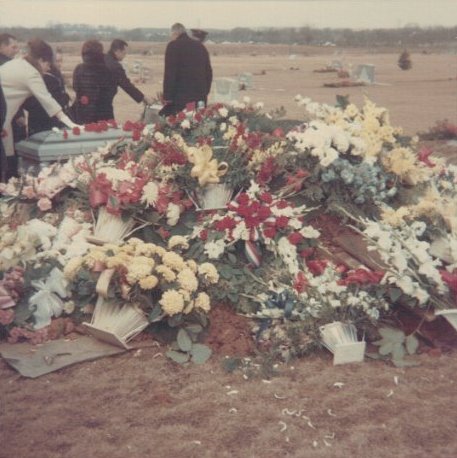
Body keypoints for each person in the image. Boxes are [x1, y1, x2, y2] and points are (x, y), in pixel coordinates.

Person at [0, 38, 78, 179]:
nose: (49, 68)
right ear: (41, 60)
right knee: (4, 160)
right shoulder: (32, 73)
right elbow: (48, 100)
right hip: (3, 116)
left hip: (5, 116)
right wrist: (71, 124)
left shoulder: (17, 62)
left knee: (6, 156)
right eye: (48, 64)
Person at [160, 23, 212, 117]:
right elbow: (208, 72)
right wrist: (204, 92)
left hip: (181, 98)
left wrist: (167, 97)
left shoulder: (173, 46)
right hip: (199, 97)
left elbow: (170, 73)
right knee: (197, 124)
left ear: (174, 34)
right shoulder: (200, 47)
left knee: (181, 126)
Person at [22, 48, 71, 135]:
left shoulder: (56, 76)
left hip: (36, 121)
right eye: (56, 61)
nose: (59, 64)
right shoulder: (48, 78)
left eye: (60, 61)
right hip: (47, 121)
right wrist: (65, 98)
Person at [70, 39, 116, 124]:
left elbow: (75, 87)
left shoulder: (79, 69)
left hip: (83, 115)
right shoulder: (108, 70)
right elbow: (112, 92)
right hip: (104, 115)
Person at [104, 39, 152, 119]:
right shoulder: (115, 66)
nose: (125, 55)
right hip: (104, 104)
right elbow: (126, 85)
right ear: (118, 51)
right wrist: (144, 98)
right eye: (124, 53)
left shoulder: (104, 58)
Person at [0, 33, 27, 161]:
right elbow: (7, 95)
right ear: (2, 47)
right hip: (9, 117)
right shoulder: (6, 66)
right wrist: (19, 114)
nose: (16, 51)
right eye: (13, 47)